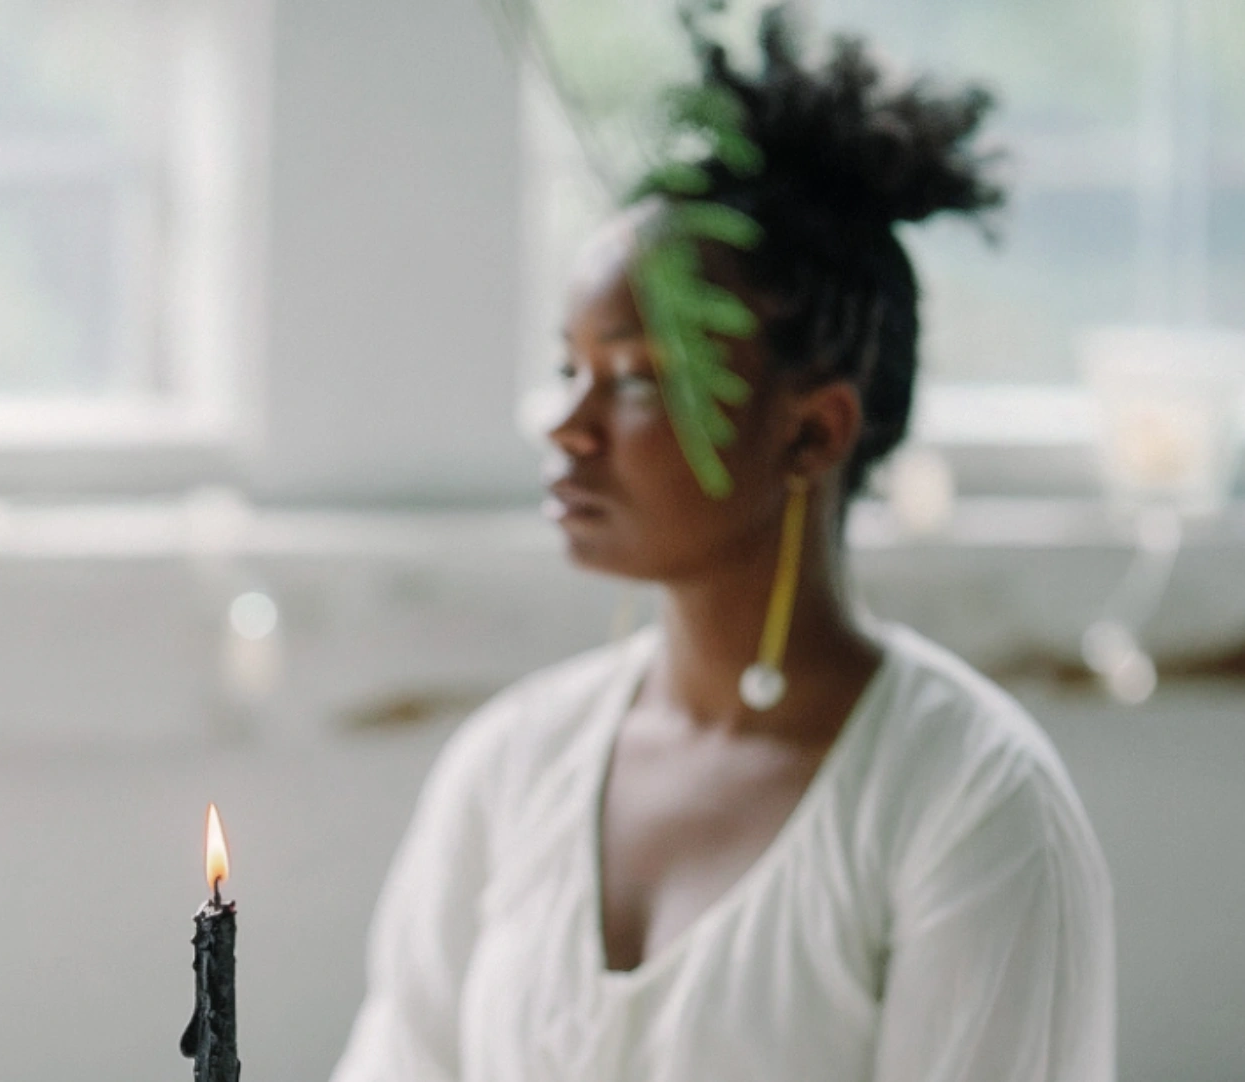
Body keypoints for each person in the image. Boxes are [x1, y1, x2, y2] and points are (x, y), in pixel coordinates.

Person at [330, 10, 1115, 1082]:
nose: (568, 426)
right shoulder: (509, 766)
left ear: (813, 430)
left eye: (641, 378)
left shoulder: (970, 803)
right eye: (571, 369)